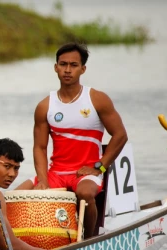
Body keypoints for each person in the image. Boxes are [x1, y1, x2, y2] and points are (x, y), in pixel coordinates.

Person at [16, 42, 128, 238]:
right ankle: (16, 245)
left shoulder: (97, 99)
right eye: (63, 64)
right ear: (55, 67)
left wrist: (99, 167)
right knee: (18, 194)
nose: (67, 70)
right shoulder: (45, 106)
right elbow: (40, 148)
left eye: (73, 65)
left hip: (86, 172)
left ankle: (90, 239)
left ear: (83, 69)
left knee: (85, 194)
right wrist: (42, 180)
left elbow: (120, 136)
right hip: (57, 172)